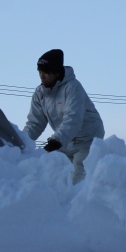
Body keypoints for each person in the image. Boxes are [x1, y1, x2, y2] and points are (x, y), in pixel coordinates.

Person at [24, 49, 105, 184]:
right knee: (53, 177)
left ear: (56, 72)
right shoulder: (40, 94)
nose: (41, 76)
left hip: (86, 140)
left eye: (46, 72)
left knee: (79, 178)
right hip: (63, 143)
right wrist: (22, 142)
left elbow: (73, 119)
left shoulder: (73, 87)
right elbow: (34, 123)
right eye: (39, 71)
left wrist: (55, 141)